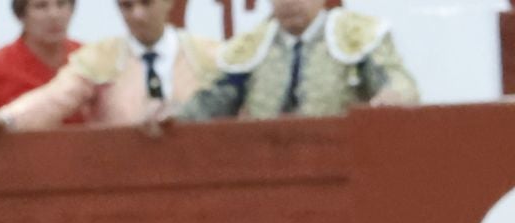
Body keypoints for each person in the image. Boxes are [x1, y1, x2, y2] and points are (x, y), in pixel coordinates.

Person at [0, 0, 216, 134]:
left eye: (146, 3)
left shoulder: (210, 56)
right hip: (126, 183)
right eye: (127, 6)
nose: (137, 15)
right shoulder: (99, 58)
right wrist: (4, 119)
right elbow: (53, 99)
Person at [176, 0, 418, 122]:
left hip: (341, 165)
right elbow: (210, 104)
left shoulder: (355, 34)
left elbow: (395, 80)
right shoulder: (252, 47)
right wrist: (171, 116)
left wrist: (393, 95)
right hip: (268, 173)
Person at [0, 0, 81, 131]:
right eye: (41, 6)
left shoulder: (89, 61)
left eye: (61, 4)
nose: (54, 15)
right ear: (21, 15)